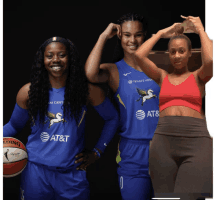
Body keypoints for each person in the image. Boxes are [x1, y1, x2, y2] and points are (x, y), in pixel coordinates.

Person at [3, 36, 119, 200]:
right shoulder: (28, 92)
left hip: (72, 174)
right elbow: (14, 126)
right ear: (42, 60)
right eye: (49, 55)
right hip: (36, 173)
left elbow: (112, 118)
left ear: (70, 58)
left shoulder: (87, 91)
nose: (55, 60)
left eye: (62, 55)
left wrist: (97, 151)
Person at [134, 16, 213, 199]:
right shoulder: (162, 76)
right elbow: (138, 56)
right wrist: (162, 33)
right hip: (163, 142)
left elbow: (209, 62)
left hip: (196, 141)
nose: (177, 55)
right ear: (168, 54)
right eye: (173, 52)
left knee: (190, 195)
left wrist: (200, 29)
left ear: (189, 53)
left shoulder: (198, 77)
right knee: (165, 197)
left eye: (181, 51)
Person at [84, 13, 160, 200]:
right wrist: (103, 36)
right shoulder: (114, 70)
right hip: (133, 153)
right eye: (127, 35)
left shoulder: (162, 63)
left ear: (146, 36)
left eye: (138, 35)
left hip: (166, 147)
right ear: (119, 36)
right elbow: (90, 74)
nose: (132, 40)